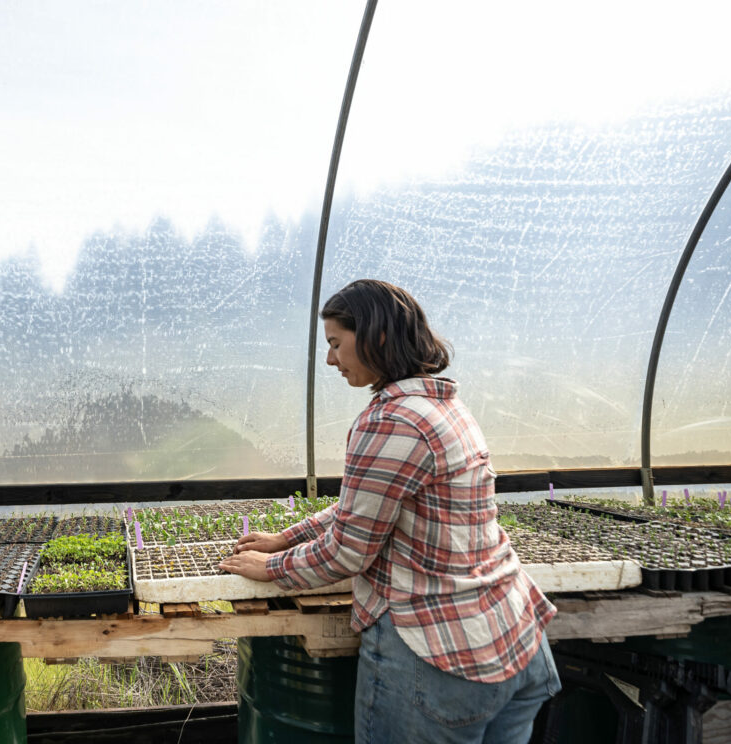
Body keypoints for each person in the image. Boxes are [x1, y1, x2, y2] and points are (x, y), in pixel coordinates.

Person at [218, 279, 560, 744]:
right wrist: (288, 536)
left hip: (442, 661)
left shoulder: (392, 420)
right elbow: (371, 503)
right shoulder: (444, 405)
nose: (330, 359)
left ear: (376, 336)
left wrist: (271, 567)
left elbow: (347, 554)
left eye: (337, 344)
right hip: (514, 638)